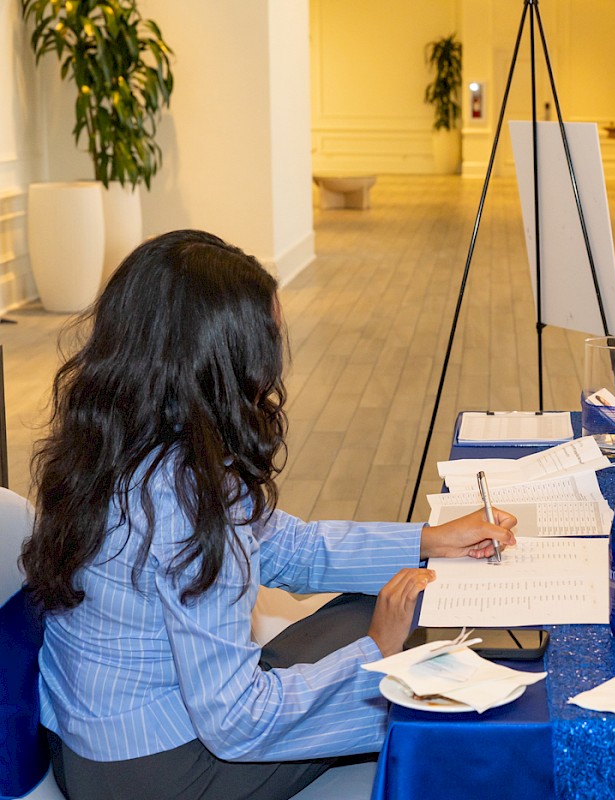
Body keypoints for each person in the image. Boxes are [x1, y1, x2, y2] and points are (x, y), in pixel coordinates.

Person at [19, 230, 518, 800]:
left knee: (391, 603)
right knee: (405, 653)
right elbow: (236, 722)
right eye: (268, 338)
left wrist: (432, 540)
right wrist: (375, 652)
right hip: (160, 774)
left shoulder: (115, 437)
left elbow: (282, 547)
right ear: (220, 362)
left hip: (88, 743)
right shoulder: (188, 494)